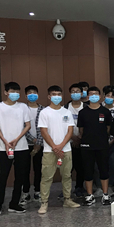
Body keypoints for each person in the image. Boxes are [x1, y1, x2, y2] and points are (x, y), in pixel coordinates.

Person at [0, 82, 31, 218]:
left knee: (20, 177)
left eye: (17, 92)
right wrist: (5, 142)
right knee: (2, 177)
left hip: (22, 146)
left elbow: (28, 125)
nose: (15, 94)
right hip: (4, 148)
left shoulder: (23, 107)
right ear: (6, 92)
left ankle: (14, 203)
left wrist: (17, 139)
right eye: (12, 91)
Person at [37, 85, 81, 213]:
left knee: (67, 176)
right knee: (46, 177)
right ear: (49, 96)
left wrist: (61, 146)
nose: (57, 97)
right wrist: (54, 147)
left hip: (66, 149)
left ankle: (67, 199)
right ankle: (44, 202)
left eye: (59, 94)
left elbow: (70, 130)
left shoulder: (66, 112)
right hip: (49, 150)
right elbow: (43, 131)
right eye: (54, 94)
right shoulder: (44, 112)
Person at [78, 87, 113, 206]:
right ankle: (89, 195)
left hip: (102, 145)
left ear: (100, 96)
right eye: (91, 94)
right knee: (88, 170)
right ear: (87, 97)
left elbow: (108, 128)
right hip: (87, 145)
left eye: (96, 94)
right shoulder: (83, 112)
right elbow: (81, 130)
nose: (93, 96)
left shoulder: (105, 112)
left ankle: (105, 194)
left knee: (104, 169)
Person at [20, 85, 44, 205]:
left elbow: (44, 127)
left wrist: (38, 142)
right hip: (25, 143)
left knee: (38, 169)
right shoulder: (22, 109)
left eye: (34, 93)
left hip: (40, 144)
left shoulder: (43, 110)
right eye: (30, 93)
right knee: (25, 169)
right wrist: (32, 139)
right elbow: (21, 126)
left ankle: (37, 191)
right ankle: (25, 192)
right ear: (25, 96)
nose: (32, 95)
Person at [65, 83, 86, 198]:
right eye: (73, 91)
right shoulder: (65, 108)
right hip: (68, 142)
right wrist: (72, 137)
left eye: (77, 91)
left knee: (81, 166)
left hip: (83, 141)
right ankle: (66, 190)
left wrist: (80, 138)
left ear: (82, 93)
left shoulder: (86, 107)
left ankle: (79, 187)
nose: (75, 93)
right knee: (68, 167)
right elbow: (62, 125)